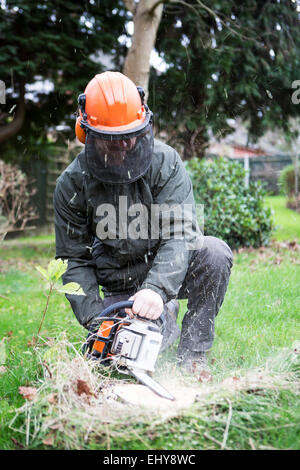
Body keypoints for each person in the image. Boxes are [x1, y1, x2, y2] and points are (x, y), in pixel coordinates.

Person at [53, 71, 233, 377]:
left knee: (214, 253)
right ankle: (154, 324)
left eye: (129, 135)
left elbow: (181, 232)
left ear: (143, 123)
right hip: (118, 284)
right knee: (129, 359)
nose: (123, 145)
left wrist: (156, 289)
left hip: (165, 268)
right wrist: (98, 320)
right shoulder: (72, 183)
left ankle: (193, 357)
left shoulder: (166, 163)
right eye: (112, 140)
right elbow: (74, 261)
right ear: (89, 133)